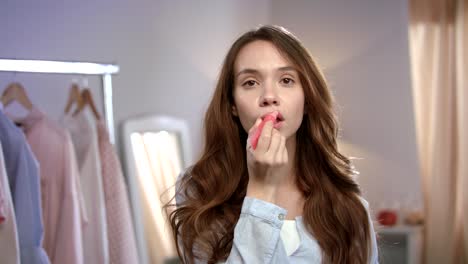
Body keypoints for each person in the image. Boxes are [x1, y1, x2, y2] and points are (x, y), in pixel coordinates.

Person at [165, 25, 379, 264]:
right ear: (232, 105)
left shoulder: (348, 206)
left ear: (307, 100)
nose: (269, 96)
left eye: (286, 80)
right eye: (250, 83)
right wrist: (261, 189)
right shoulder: (200, 190)